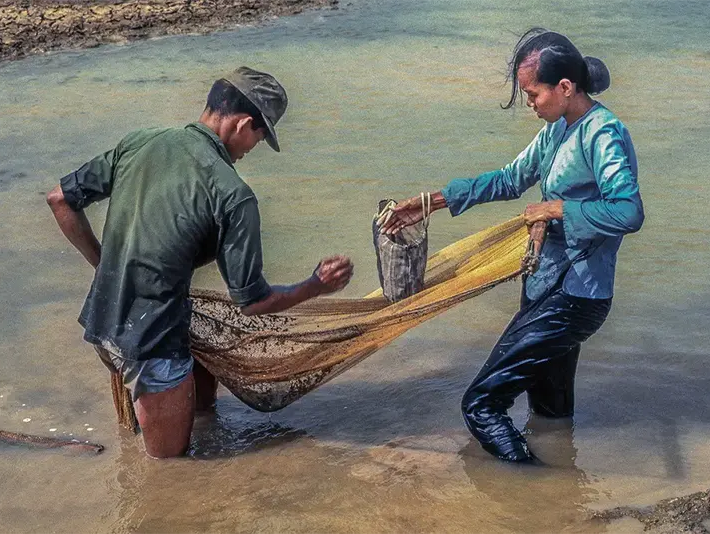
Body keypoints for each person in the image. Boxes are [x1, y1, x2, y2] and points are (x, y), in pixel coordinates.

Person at [46, 66, 354, 459]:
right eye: (260, 137)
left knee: (203, 405)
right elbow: (253, 302)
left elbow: (60, 200)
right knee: (170, 475)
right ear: (244, 124)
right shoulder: (233, 194)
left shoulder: (140, 142)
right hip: (153, 341)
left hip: (102, 323)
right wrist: (315, 286)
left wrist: (106, 266)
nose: (250, 150)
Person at [380, 29, 644, 462]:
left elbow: (628, 211)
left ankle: (527, 495)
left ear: (564, 87)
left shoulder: (603, 133)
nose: (529, 103)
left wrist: (556, 209)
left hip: (575, 298)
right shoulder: (557, 130)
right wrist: (431, 203)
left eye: (532, 93)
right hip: (544, 290)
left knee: (480, 405)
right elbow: (508, 179)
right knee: (552, 415)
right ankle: (562, 503)